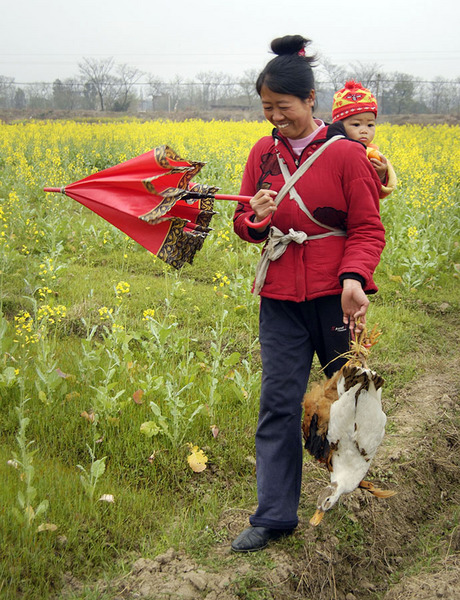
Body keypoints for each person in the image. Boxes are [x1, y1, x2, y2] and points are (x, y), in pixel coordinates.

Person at [231, 35, 386, 553]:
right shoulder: (263, 153)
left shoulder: (346, 154)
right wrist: (256, 217)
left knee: (347, 399)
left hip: (334, 296)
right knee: (278, 402)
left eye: (284, 107)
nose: (276, 117)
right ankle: (274, 516)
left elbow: (367, 228)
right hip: (280, 298)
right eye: (267, 108)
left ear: (311, 99)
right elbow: (244, 223)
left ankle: (352, 479)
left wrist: (354, 278)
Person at [331, 80, 397, 198]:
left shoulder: (373, 154)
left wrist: (381, 174)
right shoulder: (331, 151)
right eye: (356, 125)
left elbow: (379, 193)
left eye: (370, 125)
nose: (364, 131)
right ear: (339, 126)